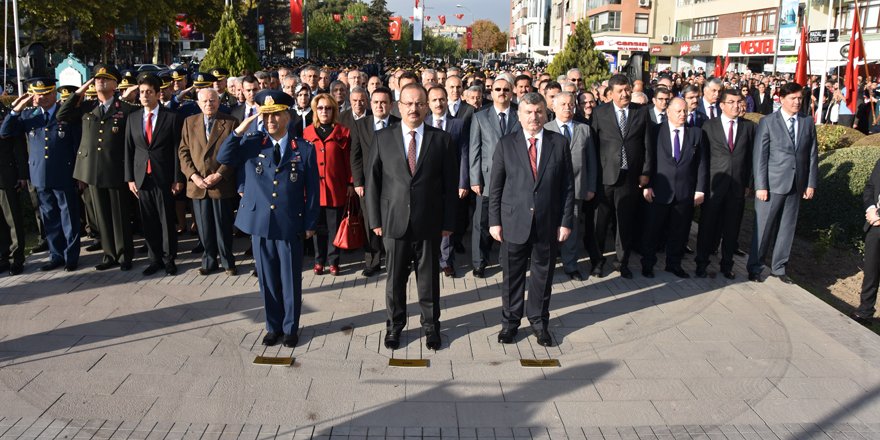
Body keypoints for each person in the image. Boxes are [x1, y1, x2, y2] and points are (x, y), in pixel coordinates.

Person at [218, 90, 319, 347]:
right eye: (265, 115)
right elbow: (224, 157)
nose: (270, 120)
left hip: (289, 223)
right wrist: (240, 129)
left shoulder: (304, 149)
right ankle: (273, 326)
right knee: (267, 280)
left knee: (290, 280)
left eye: (275, 115)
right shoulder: (254, 142)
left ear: (287, 116)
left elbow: (313, 192)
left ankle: (290, 327)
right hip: (260, 223)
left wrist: (309, 224)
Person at [365, 83, 458, 351]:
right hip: (394, 222)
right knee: (394, 281)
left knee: (428, 281)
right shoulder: (383, 138)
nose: (413, 109)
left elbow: (450, 186)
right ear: (398, 105)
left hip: (429, 223)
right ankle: (394, 327)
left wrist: (448, 223)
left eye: (419, 103)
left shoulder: (441, 139)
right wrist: (376, 221)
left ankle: (431, 327)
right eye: (408, 103)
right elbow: (373, 182)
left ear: (426, 106)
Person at [488, 92, 574, 346]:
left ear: (546, 114)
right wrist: (495, 221)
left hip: (547, 222)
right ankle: (510, 323)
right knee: (512, 276)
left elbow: (567, 187)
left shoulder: (559, 143)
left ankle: (539, 322)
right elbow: (496, 187)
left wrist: (565, 221)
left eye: (538, 112)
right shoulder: (506, 144)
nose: (534, 117)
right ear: (519, 115)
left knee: (542, 276)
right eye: (528, 112)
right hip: (514, 222)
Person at [57, 66, 137, 271]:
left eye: (105, 79)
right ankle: (109, 255)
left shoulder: (125, 109)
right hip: (92, 170)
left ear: (115, 85)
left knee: (119, 215)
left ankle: (124, 255)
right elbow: (62, 114)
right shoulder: (87, 107)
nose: (100, 82)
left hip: (115, 169)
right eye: (97, 79)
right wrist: (81, 89)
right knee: (101, 215)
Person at [1, 77, 82, 271]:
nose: (42, 98)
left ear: (54, 93)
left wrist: (79, 174)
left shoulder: (66, 114)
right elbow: (5, 132)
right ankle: (56, 255)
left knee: (68, 217)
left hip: (64, 172)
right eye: (39, 94)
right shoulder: (29, 115)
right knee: (49, 218)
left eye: (46, 93)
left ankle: (71, 256)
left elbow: (76, 145)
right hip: (39, 175)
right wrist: (15, 110)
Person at [747, 82, 819, 283]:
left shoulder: (807, 122)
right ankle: (755, 266)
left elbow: (812, 155)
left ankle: (779, 268)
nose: (797, 102)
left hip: (796, 185)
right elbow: (760, 156)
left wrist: (810, 183)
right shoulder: (768, 122)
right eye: (793, 98)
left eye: (799, 98)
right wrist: (761, 185)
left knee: (787, 228)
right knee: (764, 228)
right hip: (771, 185)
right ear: (782, 99)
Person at [589, 74, 652, 278]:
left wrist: (645, 173)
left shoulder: (641, 113)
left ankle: (621, 262)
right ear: (611, 93)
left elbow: (647, 146)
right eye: (620, 91)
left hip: (630, 177)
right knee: (600, 223)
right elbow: (593, 146)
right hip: (605, 177)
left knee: (624, 222)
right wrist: (593, 176)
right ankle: (597, 261)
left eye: (627, 90)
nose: (625, 94)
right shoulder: (600, 112)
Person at [124, 73, 185, 276]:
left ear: (158, 94)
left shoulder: (172, 117)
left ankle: (169, 259)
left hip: (164, 177)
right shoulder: (132, 119)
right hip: (142, 178)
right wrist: (130, 178)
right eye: (141, 92)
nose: (144, 96)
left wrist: (177, 178)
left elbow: (178, 149)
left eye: (149, 92)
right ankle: (154, 259)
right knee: (147, 221)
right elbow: (129, 149)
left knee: (166, 221)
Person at [640, 97, 706, 278]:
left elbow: (701, 164)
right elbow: (649, 161)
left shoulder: (696, 133)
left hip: (685, 192)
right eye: (678, 111)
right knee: (652, 230)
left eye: (685, 111)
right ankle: (648, 263)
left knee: (680, 231)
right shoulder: (655, 132)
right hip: (659, 190)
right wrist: (648, 185)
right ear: (668, 112)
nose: (682, 114)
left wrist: (700, 189)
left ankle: (674, 264)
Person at [695, 89, 756, 279]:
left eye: (739, 102)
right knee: (707, 227)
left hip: (737, 187)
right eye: (731, 102)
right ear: (721, 105)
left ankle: (727, 264)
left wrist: (749, 184)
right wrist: (701, 185)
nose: (736, 105)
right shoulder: (708, 126)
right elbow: (703, 158)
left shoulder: (749, 127)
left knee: (732, 229)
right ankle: (701, 263)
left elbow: (752, 159)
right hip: (714, 185)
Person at [178, 88, 238, 276]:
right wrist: (194, 176)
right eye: (204, 101)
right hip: (198, 184)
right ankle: (209, 260)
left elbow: (235, 153)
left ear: (218, 102)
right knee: (204, 227)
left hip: (220, 184)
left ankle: (228, 261)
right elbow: (183, 152)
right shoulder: (189, 122)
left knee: (223, 225)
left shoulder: (229, 122)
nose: (208, 104)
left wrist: (220, 174)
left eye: (212, 101)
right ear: (197, 103)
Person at [468, 77, 521, 277]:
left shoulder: (519, 114)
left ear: (512, 91)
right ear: (491, 92)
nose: (501, 92)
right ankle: (479, 262)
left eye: (506, 89)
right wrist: (474, 179)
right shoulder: (480, 117)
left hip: (514, 180)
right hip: (487, 179)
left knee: (509, 221)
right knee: (481, 223)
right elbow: (475, 150)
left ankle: (504, 260)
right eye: (497, 89)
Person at [544, 91, 597, 280]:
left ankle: (571, 265)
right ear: (554, 107)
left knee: (571, 228)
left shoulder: (584, 129)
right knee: (548, 228)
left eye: (571, 104)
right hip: (550, 190)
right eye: (563, 104)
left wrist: (590, 186)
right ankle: (547, 264)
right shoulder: (546, 128)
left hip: (576, 188)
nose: (568, 107)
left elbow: (591, 161)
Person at [302, 93, 352, 276]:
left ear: (334, 110)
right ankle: (319, 261)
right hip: (315, 190)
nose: (324, 111)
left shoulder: (343, 132)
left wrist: (350, 183)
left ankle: (334, 261)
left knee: (334, 228)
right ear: (316, 110)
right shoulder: (306, 133)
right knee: (317, 228)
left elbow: (348, 160)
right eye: (321, 108)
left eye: (328, 108)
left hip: (336, 188)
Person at [350, 87, 398, 277]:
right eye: (376, 102)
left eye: (383, 102)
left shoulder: (398, 124)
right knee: (370, 221)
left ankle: (394, 258)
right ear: (371, 104)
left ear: (390, 105)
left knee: (392, 220)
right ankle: (373, 261)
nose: (379, 105)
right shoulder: (361, 125)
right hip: (368, 184)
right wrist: (358, 183)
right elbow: (355, 156)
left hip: (393, 183)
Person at [425, 86, 469, 278]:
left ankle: (446, 261)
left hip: (450, 182)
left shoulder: (458, 124)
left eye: (442, 99)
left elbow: (464, 154)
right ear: (428, 103)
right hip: (427, 183)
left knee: (447, 222)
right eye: (434, 100)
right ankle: (428, 259)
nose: (438, 103)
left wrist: (463, 182)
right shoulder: (422, 122)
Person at [0, 106, 27, 275]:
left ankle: (17, 258)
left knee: (12, 220)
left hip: (6, 175)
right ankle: (3, 257)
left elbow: (18, 146)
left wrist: (22, 174)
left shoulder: (5, 114)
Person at [854, 157, 880, 325]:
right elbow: (870, 187)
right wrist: (871, 210)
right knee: (871, 270)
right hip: (875, 224)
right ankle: (865, 312)